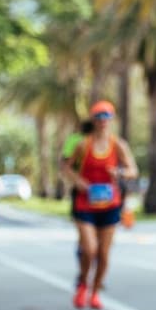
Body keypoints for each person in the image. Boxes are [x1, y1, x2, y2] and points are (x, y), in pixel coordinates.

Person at [61, 101, 137, 310]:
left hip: (110, 204)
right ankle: (83, 285)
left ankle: (95, 292)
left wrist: (119, 173)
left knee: (103, 254)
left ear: (111, 120)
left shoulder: (118, 145)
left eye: (107, 117)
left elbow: (133, 170)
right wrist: (79, 182)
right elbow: (67, 168)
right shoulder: (83, 144)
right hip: (85, 204)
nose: (103, 121)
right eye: (99, 117)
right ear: (94, 120)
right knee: (89, 249)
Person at [61, 118, 94, 287]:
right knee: (85, 239)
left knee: (93, 241)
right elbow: (65, 164)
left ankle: (88, 273)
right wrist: (78, 181)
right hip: (82, 194)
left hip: (104, 195)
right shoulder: (76, 141)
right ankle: (84, 272)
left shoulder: (109, 142)